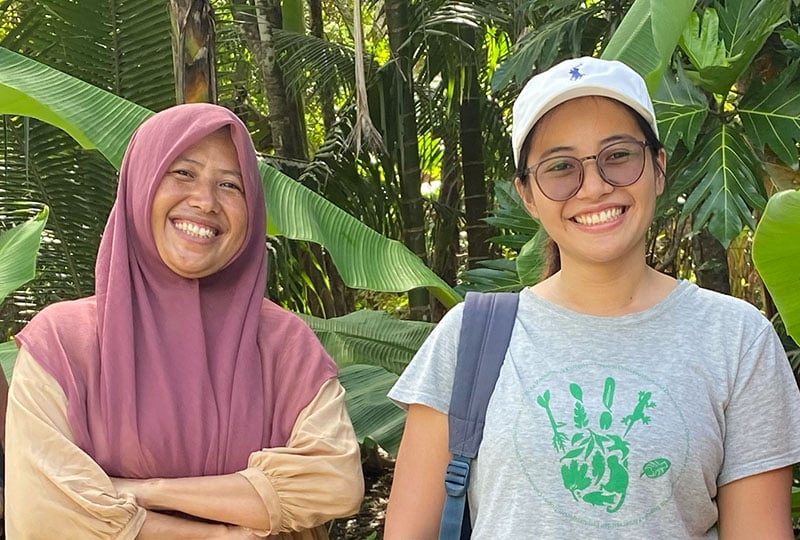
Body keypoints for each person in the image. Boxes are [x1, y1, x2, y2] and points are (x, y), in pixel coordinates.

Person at [384, 56, 800, 539]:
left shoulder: (736, 339)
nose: (595, 186)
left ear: (658, 168)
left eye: (618, 155)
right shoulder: (467, 338)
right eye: (560, 167)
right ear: (528, 195)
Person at [5, 103, 364, 539]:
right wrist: (226, 534)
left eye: (230, 184)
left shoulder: (285, 344)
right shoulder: (63, 344)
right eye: (183, 173)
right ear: (140, 185)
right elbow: (49, 515)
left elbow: (334, 484)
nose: (205, 201)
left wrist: (145, 491)